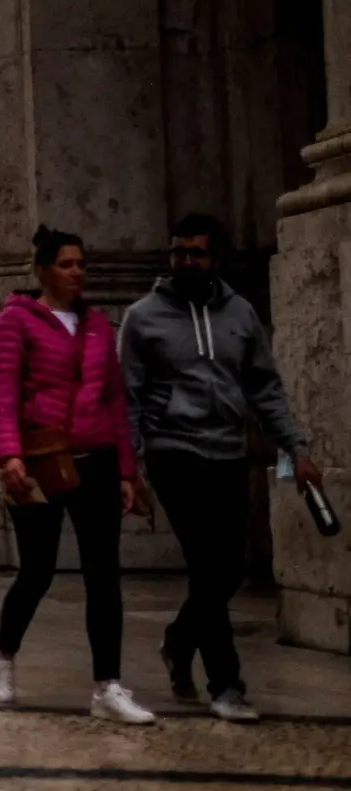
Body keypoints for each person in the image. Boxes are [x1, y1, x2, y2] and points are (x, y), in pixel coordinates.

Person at [121, 213, 322, 723]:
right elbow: (130, 398)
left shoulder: (240, 314)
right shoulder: (143, 317)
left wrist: (295, 449)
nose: (186, 261)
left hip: (228, 452)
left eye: (197, 253)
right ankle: (226, 684)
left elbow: (265, 387)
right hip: (173, 452)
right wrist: (132, 468)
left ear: (215, 259)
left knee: (227, 569)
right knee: (208, 566)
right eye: (179, 252)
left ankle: (178, 639)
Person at [0, 225, 152, 725]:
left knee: (104, 575)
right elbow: (2, 392)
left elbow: (115, 403)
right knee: (36, 571)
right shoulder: (17, 322)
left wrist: (126, 470)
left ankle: (108, 686)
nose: (77, 272)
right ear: (42, 270)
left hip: (97, 460)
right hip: (40, 462)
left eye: (81, 263)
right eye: (66, 264)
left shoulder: (100, 326)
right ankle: (4, 655)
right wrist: (9, 455)